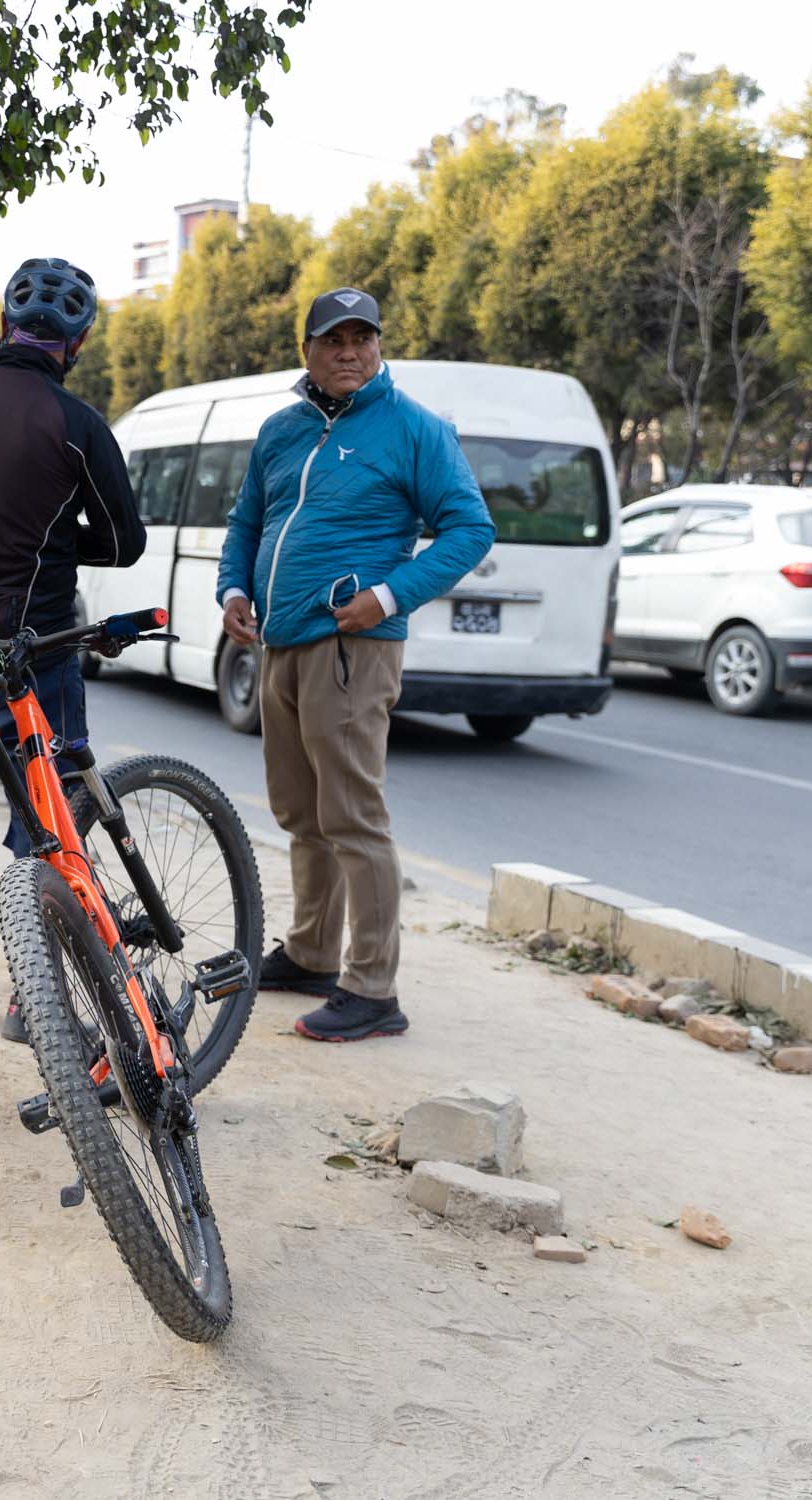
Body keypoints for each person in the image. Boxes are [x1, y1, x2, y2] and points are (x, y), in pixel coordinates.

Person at [216, 288, 495, 1041]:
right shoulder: (282, 429)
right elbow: (248, 521)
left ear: (377, 345)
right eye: (332, 340)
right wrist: (234, 588)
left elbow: (470, 529)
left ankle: (373, 989)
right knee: (301, 813)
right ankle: (312, 954)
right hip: (280, 641)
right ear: (306, 350)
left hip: (352, 646)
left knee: (352, 817)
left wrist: (387, 595)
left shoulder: (414, 428)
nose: (348, 352)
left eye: (361, 338)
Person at [0, 257, 147, 1040]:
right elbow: (123, 543)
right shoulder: (77, 424)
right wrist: (60, 542)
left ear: (6, 326)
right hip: (35, 657)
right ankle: (31, 1000)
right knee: (47, 828)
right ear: (78, 341)